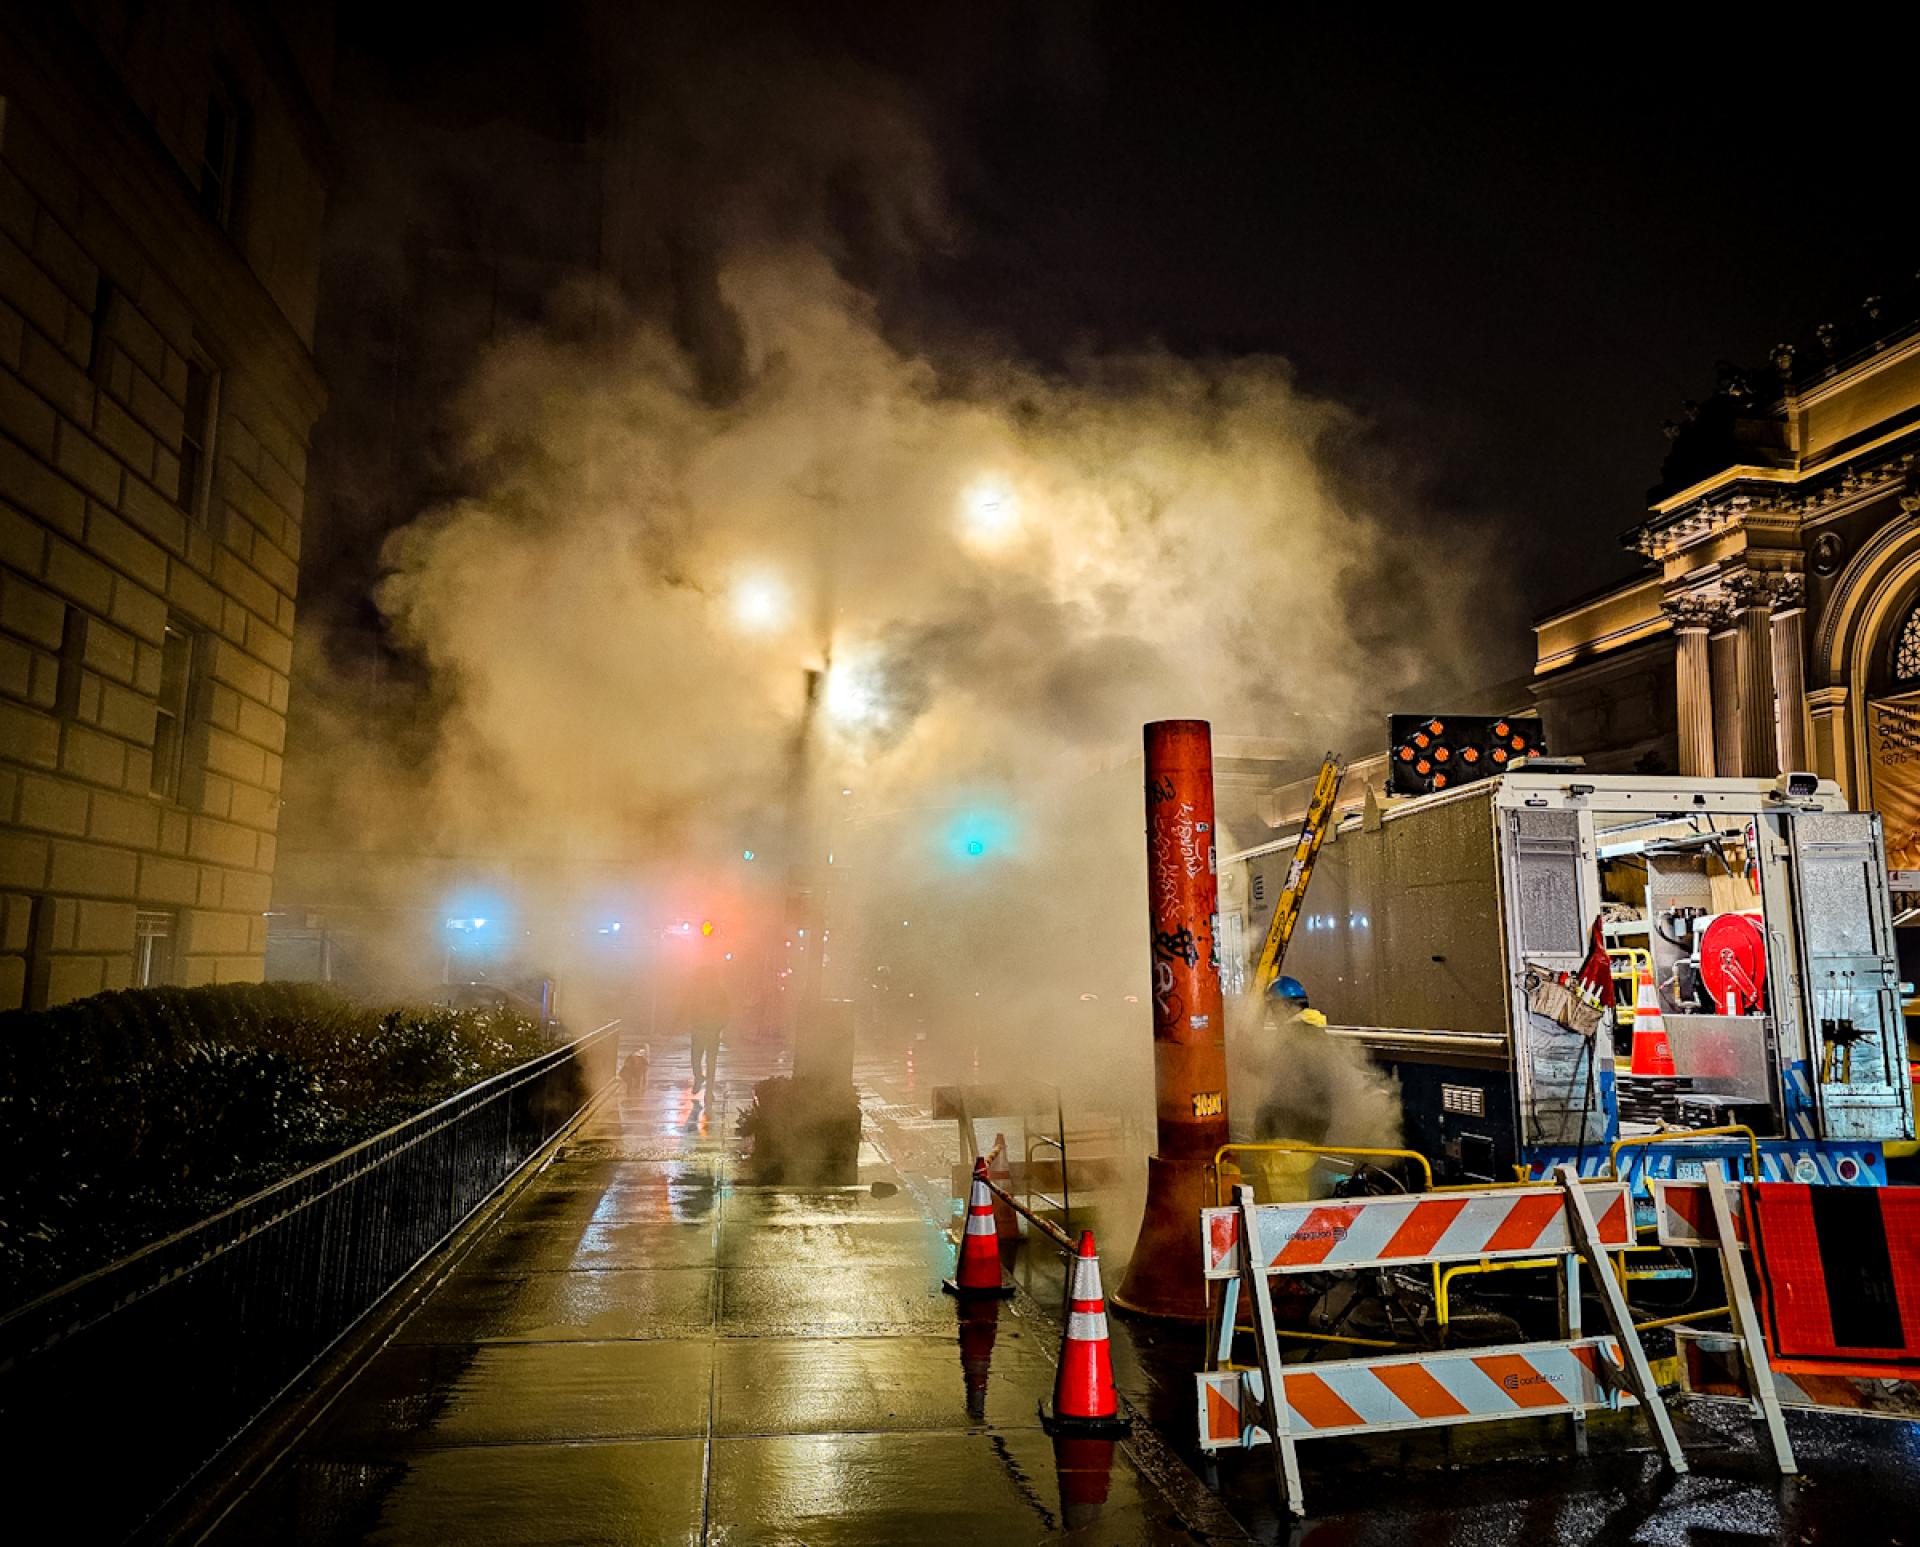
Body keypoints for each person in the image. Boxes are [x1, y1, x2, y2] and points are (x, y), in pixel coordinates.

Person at [684, 959, 728, 1095]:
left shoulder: (699, 991)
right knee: (710, 1060)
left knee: (697, 1057)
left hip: (703, 1029)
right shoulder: (719, 991)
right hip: (709, 1029)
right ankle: (707, 1085)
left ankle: (701, 1079)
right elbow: (725, 1010)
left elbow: (691, 1008)